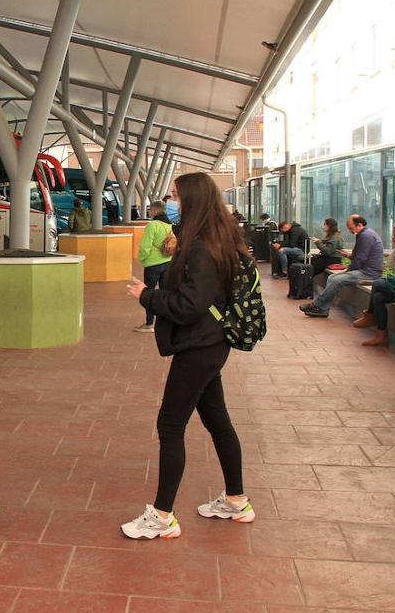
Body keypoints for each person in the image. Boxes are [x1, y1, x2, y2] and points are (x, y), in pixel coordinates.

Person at [121, 172, 253, 540]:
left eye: (176, 196)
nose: (172, 202)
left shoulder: (200, 247)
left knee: (170, 425)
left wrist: (147, 296)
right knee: (217, 420)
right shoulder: (217, 238)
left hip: (199, 345)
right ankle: (236, 500)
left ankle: (162, 517)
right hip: (210, 344)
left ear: (191, 200)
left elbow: (190, 304)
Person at [301, 214, 383, 318]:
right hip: (366, 270)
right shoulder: (364, 234)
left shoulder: (365, 236)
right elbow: (360, 256)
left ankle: (317, 305)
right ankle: (323, 309)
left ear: (359, 225)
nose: (349, 231)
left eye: (351, 228)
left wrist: (348, 271)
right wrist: (349, 256)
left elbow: (360, 259)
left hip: (369, 273)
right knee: (332, 277)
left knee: (336, 280)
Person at [134, 200, 174, 333]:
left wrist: (142, 259)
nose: (150, 212)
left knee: (149, 294)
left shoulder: (153, 225)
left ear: (156, 210)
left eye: (151, 209)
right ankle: (166, 322)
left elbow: (145, 246)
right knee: (164, 293)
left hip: (153, 264)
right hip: (168, 262)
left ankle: (149, 323)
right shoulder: (170, 225)